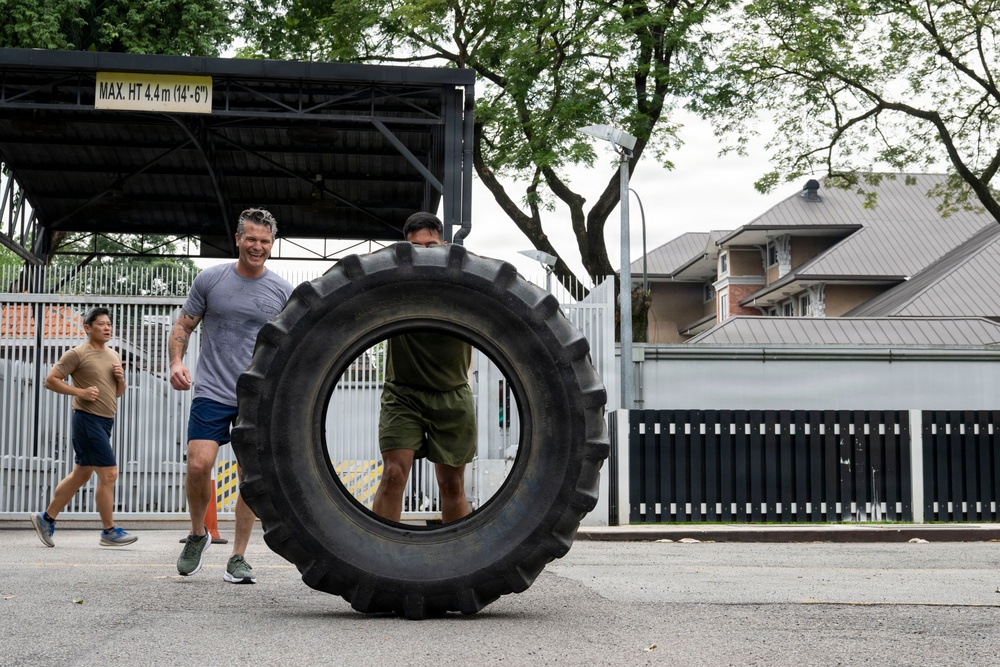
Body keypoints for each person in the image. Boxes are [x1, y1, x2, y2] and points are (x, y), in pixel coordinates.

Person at [169, 208, 293, 583]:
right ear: (237, 239)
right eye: (251, 238)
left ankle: (238, 556)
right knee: (197, 465)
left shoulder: (283, 292)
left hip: (255, 396)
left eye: (264, 241)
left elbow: (293, 346)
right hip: (212, 389)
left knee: (249, 477)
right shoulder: (211, 279)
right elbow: (184, 325)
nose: (257, 246)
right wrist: (176, 361)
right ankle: (197, 533)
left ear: (273, 245)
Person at [371, 212, 477, 523]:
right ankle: (381, 556)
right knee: (393, 475)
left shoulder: (463, 288)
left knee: (452, 484)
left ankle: (456, 562)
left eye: (431, 245)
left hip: (453, 395)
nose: (425, 253)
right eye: (415, 248)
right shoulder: (394, 286)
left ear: (444, 244)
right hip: (402, 394)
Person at [30, 307, 136, 547]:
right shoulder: (76, 354)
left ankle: (46, 519)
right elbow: (50, 381)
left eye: (109, 324)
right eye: (101, 324)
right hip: (87, 419)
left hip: (105, 420)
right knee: (109, 473)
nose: (107, 327)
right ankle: (109, 531)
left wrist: (121, 379)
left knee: (81, 474)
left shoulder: (113, 354)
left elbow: (118, 393)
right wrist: (80, 392)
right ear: (88, 328)